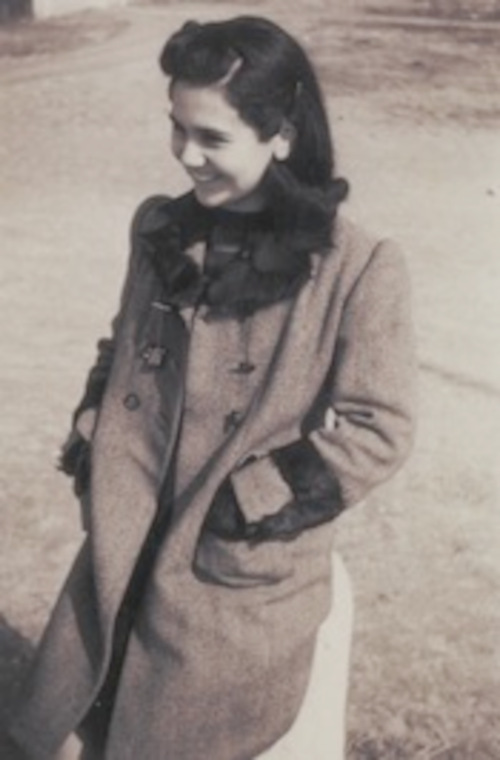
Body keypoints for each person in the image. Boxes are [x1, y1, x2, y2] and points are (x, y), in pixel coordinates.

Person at [10, 15, 416, 760]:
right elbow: (121, 345)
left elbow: (379, 428)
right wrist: (95, 428)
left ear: (281, 135)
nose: (186, 155)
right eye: (177, 126)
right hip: (124, 545)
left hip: (231, 577)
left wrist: (245, 504)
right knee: (62, 735)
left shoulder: (357, 266)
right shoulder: (159, 228)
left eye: (213, 138)